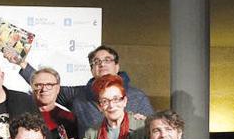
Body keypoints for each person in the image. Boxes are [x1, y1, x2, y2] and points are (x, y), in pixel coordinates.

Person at [8, 45, 154, 133]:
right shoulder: (78, 95)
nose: (102, 64)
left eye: (107, 60)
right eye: (96, 62)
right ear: (91, 69)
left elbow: (151, 129)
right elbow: (46, 85)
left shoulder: (137, 97)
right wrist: (21, 63)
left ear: (117, 66)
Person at [30, 68, 77, 139]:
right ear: (32, 88)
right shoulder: (21, 115)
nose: (44, 89)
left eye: (49, 85)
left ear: (58, 89)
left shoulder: (69, 118)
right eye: (38, 85)